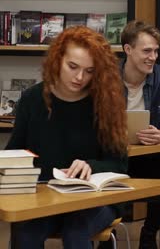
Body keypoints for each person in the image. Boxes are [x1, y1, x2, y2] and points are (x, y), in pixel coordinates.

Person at [8, 26, 128, 249]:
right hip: (45, 197)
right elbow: (14, 154)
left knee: (76, 230)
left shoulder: (104, 102)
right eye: (72, 67)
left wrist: (90, 166)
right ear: (57, 59)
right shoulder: (33, 98)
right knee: (26, 231)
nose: (80, 77)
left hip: (94, 200)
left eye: (90, 71)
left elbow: (119, 164)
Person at [99, 20, 160, 249]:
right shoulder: (106, 78)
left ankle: (149, 234)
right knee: (103, 169)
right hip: (114, 156)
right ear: (128, 49)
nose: (153, 57)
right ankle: (108, 235)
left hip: (150, 155)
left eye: (156, 51)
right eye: (147, 50)